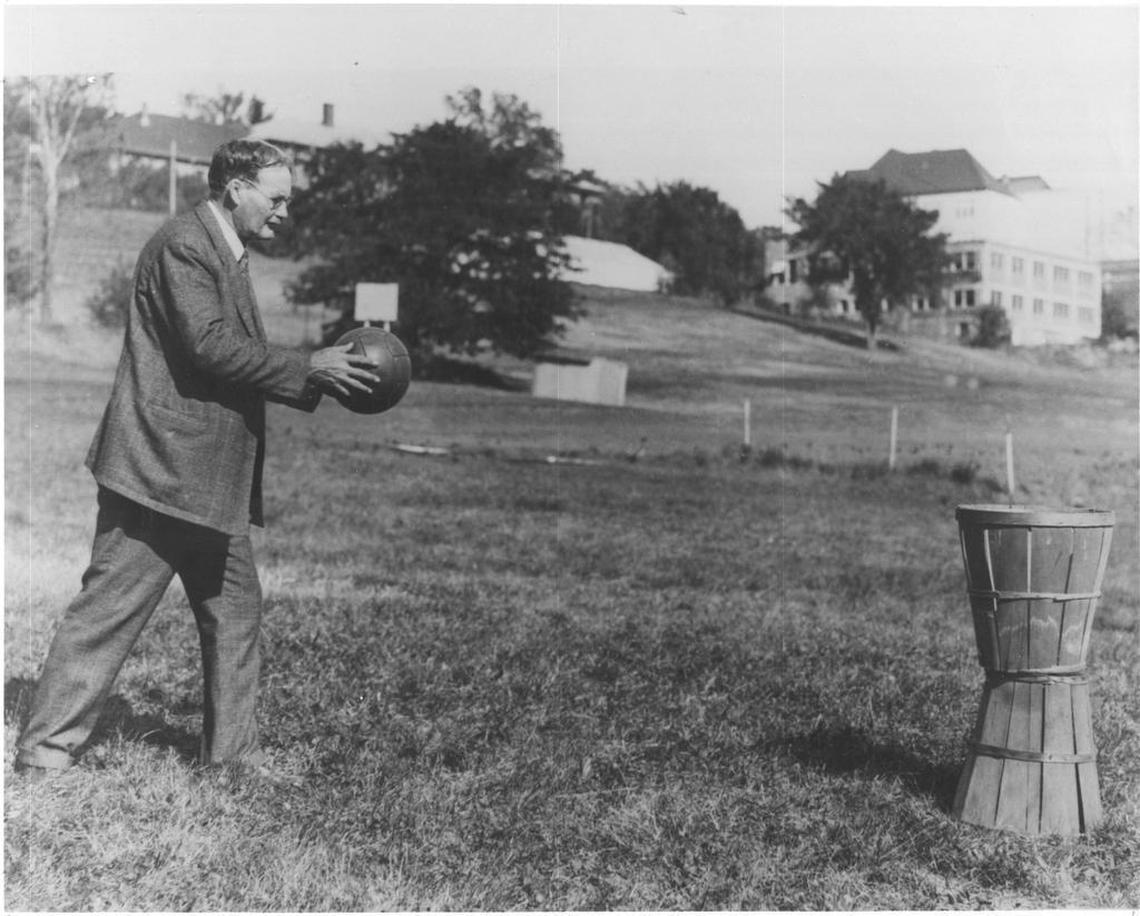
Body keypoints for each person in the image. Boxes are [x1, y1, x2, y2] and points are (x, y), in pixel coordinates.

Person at [15, 139, 379, 780]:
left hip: (205, 480)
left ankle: (230, 761)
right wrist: (308, 367)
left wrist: (309, 371)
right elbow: (210, 346)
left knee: (236, 612)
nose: (285, 212)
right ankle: (43, 757)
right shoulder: (184, 244)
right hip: (159, 472)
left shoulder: (226, 248)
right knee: (108, 613)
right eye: (277, 198)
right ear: (237, 188)